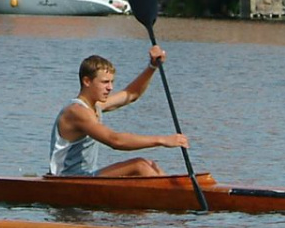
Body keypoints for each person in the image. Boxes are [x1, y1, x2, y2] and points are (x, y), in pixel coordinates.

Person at [48, 46, 188, 178]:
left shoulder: (96, 106)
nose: (110, 87)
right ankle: (177, 199)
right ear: (87, 81)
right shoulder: (76, 112)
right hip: (65, 179)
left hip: (85, 176)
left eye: (112, 82)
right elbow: (115, 140)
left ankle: (180, 194)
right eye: (105, 82)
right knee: (140, 166)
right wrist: (162, 140)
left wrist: (152, 67)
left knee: (150, 164)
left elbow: (132, 94)